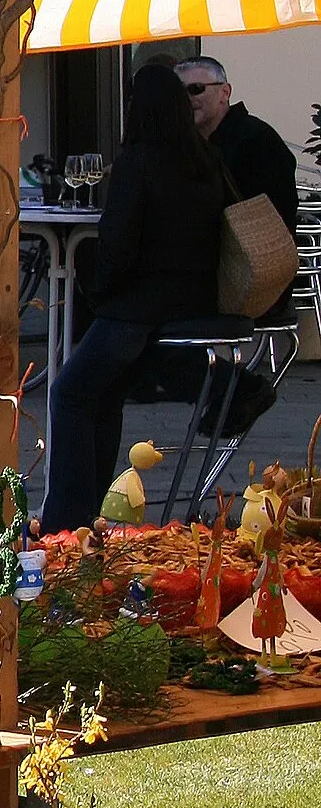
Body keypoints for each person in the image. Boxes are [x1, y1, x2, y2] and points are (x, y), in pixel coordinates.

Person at [43, 61, 229, 531]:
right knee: (102, 397)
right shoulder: (204, 160)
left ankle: (66, 522)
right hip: (190, 305)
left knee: (69, 393)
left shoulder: (138, 163)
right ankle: (86, 518)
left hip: (139, 310)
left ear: (136, 110)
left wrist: (96, 290)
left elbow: (118, 248)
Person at [182, 53, 300, 231]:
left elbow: (279, 209)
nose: (188, 98)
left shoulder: (257, 139)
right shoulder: (185, 143)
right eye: (178, 91)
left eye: (196, 88)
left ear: (225, 92)